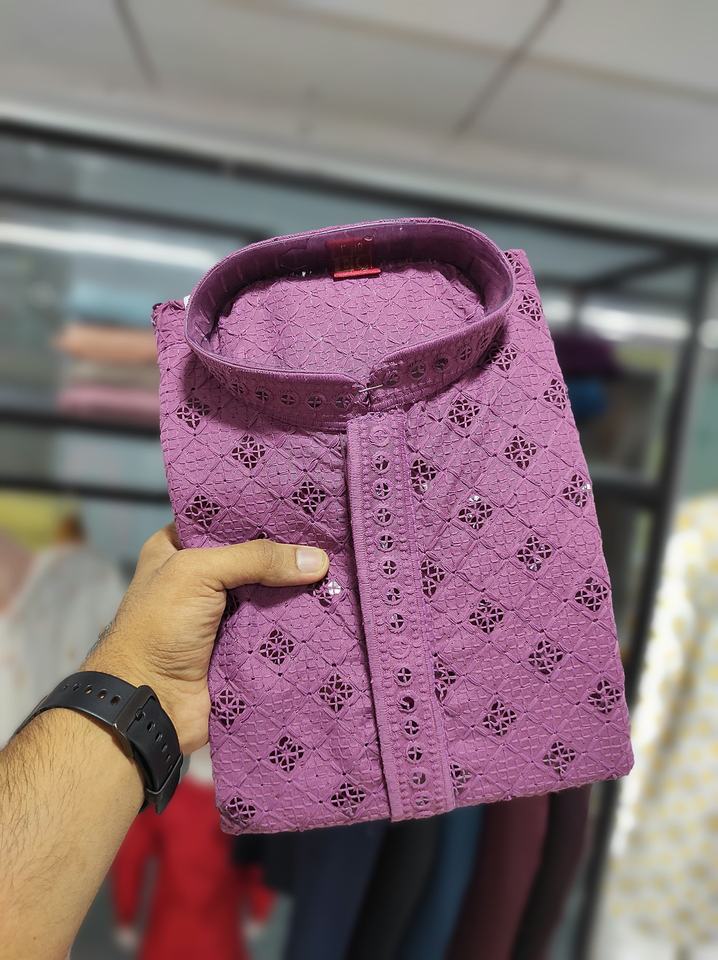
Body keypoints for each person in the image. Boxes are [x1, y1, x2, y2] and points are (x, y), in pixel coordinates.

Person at [0, 525, 329, 960]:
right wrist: (259, 909)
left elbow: (135, 857)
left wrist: (125, 916)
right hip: (218, 941)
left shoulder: (180, 801)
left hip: (169, 937)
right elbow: (254, 862)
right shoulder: (246, 798)